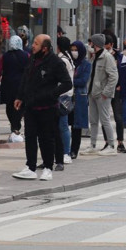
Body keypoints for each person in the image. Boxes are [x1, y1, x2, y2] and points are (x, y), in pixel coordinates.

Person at [12, 35, 73, 182]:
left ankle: (47, 168)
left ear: (45, 48)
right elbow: (26, 79)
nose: (33, 46)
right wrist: (19, 96)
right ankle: (30, 167)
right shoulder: (32, 59)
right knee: (30, 137)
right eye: (33, 43)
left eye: (36, 44)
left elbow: (67, 83)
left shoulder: (55, 62)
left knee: (47, 138)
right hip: (31, 105)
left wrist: (51, 94)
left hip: (48, 107)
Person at [80, 34, 118, 157]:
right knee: (94, 121)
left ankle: (111, 145)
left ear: (95, 44)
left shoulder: (107, 57)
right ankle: (93, 145)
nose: (89, 45)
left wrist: (106, 93)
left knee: (105, 120)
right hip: (92, 92)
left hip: (102, 94)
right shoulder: (94, 57)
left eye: (91, 43)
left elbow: (113, 76)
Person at [0, 36, 29, 142]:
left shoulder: (5, 56)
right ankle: (16, 127)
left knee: (9, 106)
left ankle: (14, 127)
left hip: (7, 85)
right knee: (20, 107)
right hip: (21, 85)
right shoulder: (26, 56)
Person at [109, 32, 126, 153]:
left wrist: (123, 88)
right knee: (104, 119)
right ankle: (108, 143)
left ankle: (120, 142)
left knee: (118, 117)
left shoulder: (120, 58)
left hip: (116, 91)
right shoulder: (98, 57)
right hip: (103, 91)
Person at [54, 36, 75, 169]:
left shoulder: (62, 60)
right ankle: (63, 151)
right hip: (67, 94)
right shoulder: (68, 59)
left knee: (63, 125)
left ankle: (65, 152)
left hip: (62, 95)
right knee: (63, 125)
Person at [69, 41, 90, 159]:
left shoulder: (86, 64)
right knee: (64, 124)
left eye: (76, 49)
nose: (74, 52)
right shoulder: (69, 62)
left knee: (77, 127)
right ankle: (65, 149)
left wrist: (70, 82)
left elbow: (83, 81)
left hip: (79, 97)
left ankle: (74, 150)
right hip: (67, 97)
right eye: (72, 49)